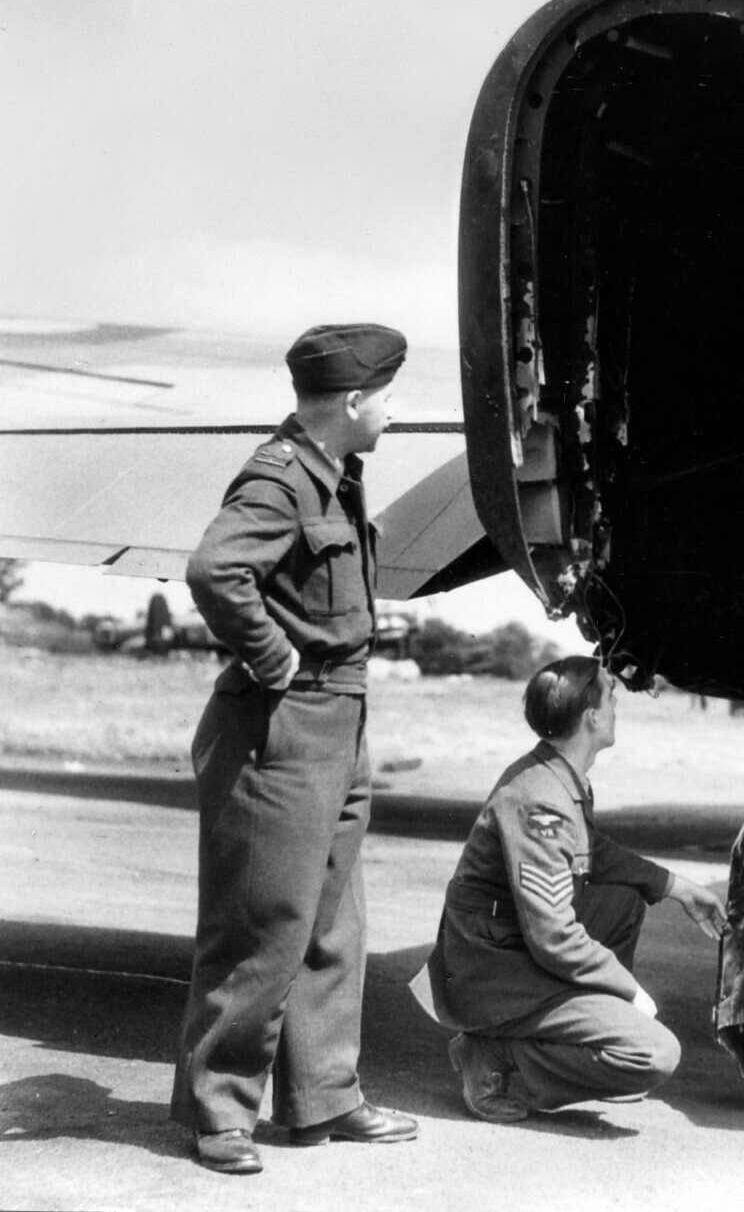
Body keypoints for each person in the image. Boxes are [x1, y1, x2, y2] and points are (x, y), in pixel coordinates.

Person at [170, 323, 418, 1174]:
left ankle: (322, 1098)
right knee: (261, 923)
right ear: (352, 402)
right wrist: (272, 656)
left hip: (337, 720)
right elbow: (214, 570)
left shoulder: (333, 478)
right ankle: (218, 1113)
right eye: (386, 396)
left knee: (331, 923)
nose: (393, 410)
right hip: (280, 723)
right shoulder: (280, 479)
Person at [421, 656, 727, 1122]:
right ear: (591, 717)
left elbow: (593, 851)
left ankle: (586, 1035)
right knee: (653, 1054)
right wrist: (628, 989)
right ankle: (494, 1060)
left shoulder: (556, 776)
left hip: (507, 945)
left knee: (624, 900)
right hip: (494, 973)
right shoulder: (540, 800)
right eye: (611, 693)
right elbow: (553, 935)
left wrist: (677, 887)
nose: (618, 701)